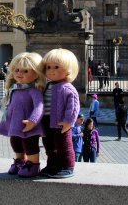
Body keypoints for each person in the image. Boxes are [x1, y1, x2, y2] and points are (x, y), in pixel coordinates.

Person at [0, 51, 45, 178]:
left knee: (30, 144)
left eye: (25, 71)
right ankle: (20, 161)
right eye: (17, 70)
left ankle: (33, 165)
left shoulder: (34, 91)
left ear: (36, 73)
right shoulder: (15, 89)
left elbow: (39, 106)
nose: (19, 74)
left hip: (29, 125)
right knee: (15, 142)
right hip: (15, 124)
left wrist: (33, 120)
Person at [40, 48, 81, 179]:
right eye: (48, 67)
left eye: (56, 67)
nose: (51, 70)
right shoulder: (48, 85)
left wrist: (69, 121)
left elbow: (73, 106)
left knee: (63, 146)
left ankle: (67, 166)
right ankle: (52, 164)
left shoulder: (67, 87)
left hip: (60, 123)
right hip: (46, 121)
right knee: (49, 145)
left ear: (68, 69)